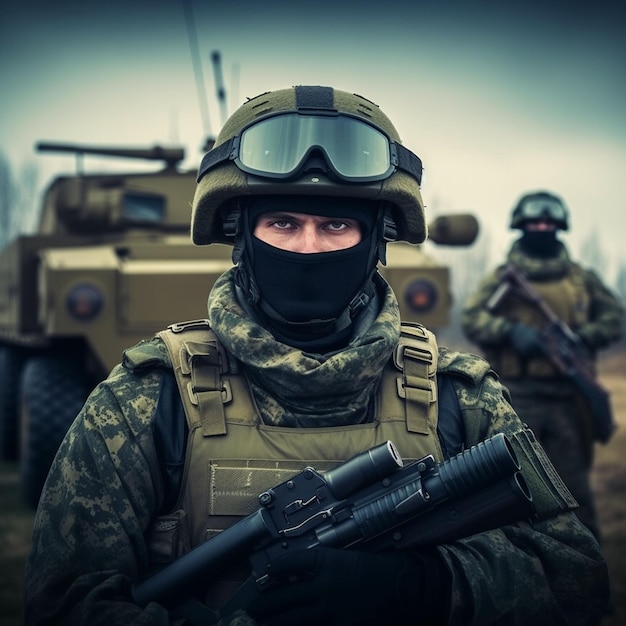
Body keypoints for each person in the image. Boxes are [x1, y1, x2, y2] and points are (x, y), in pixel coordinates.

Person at [25, 87, 609, 626]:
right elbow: (63, 601)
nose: (309, 247)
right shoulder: (146, 400)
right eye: (283, 223)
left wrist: (425, 586)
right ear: (242, 235)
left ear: (376, 241)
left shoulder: (460, 396)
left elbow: (576, 577)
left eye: (336, 225)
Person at [461, 190, 624, 542]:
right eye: (534, 222)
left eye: (548, 223)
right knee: (509, 488)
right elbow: (473, 319)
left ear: (560, 226)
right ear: (521, 226)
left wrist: (583, 337)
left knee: (573, 491)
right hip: (515, 397)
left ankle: (584, 576)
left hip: (568, 398)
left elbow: (614, 319)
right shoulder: (503, 279)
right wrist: (510, 331)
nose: (541, 228)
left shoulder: (581, 279)